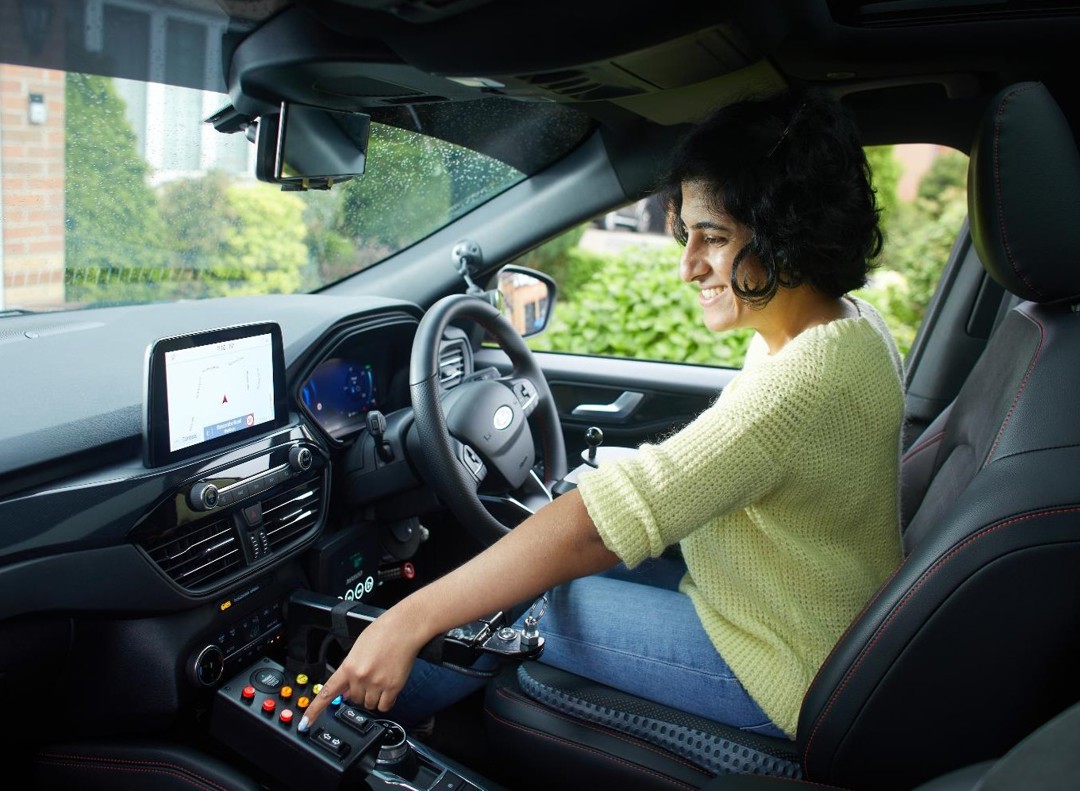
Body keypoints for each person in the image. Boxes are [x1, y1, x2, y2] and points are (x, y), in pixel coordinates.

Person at [298, 87, 905, 741]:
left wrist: (408, 619)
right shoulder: (846, 328)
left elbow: (598, 523)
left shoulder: (803, 382)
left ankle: (334, 734)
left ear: (788, 235)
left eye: (714, 238)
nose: (687, 266)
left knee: (528, 606)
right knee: (527, 568)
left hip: (787, 666)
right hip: (788, 612)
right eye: (686, 235)